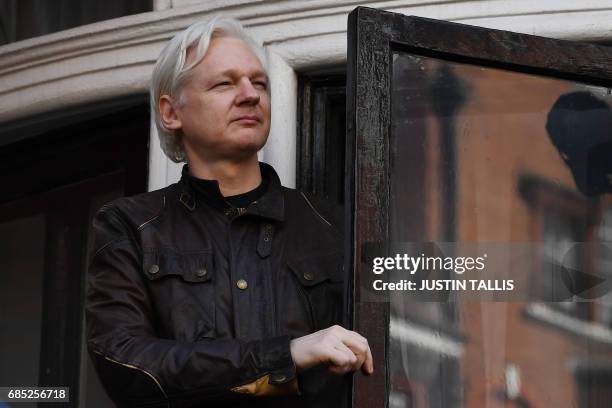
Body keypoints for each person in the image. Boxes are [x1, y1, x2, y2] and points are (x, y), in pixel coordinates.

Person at [86, 16, 372, 408]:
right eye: (224, 83)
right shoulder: (130, 225)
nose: (250, 95)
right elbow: (124, 362)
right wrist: (285, 355)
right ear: (171, 113)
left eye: (259, 83)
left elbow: (410, 348)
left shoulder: (339, 226)